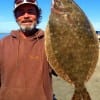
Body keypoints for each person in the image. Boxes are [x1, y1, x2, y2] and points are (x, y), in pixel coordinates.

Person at [0, 0, 57, 100]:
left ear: (38, 15)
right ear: (16, 17)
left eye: (30, 11)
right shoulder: (2, 44)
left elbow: (65, 68)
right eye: (21, 12)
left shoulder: (50, 42)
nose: (26, 16)